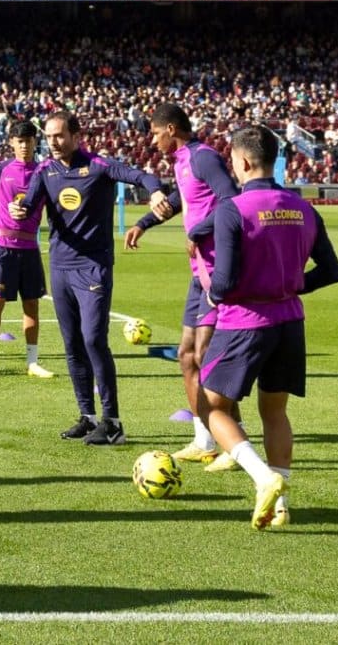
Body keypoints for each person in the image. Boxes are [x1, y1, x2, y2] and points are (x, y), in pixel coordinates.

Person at [196, 125, 338, 529]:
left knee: (212, 407)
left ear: (241, 161)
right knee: (274, 412)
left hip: (244, 323)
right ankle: (282, 507)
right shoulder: (304, 208)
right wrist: (292, 284)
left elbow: (223, 285)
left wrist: (208, 286)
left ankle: (264, 478)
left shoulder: (233, 210)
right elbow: (332, 271)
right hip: (290, 321)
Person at [14, 110, 164, 446]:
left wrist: (154, 193)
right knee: (72, 344)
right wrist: (20, 209)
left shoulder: (99, 165)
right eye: (49, 136)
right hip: (60, 267)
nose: (53, 142)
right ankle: (88, 416)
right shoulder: (44, 170)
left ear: (76, 135)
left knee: (94, 338)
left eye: (59, 136)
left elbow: (142, 176)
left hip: (93, 267)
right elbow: (29, 202)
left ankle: (112, 422)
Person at [123, 103, 241, 466]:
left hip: (217, 269)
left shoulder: (204, 158)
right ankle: (204, 439)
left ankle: (235, 442)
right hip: (198, 270)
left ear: (171, 129)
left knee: (206, 357)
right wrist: (144, 222)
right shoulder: (183, 161)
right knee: (187, 357)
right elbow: (180, 199)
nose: (152, 140)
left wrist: (200, 230)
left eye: (155, 133)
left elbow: (231, 201)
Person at [0, 119, 52, 380]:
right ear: (11, 143)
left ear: (34, 142)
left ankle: (32, 361)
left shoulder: (44, 171)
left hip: (30, 247)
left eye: (29, 141)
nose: (25, 146)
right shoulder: (0, 169)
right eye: (20, 142)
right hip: (2, 247)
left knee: (31, 305)